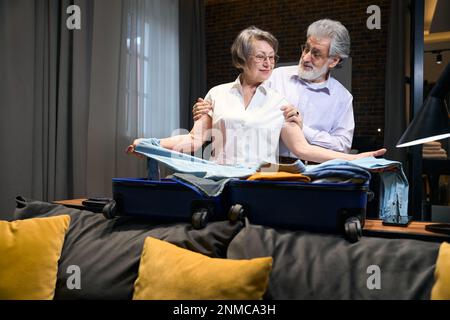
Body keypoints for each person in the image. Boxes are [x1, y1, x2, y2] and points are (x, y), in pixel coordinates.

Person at [127, 26, 385, 166]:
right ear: (242, 58)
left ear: (334, 60)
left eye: (272, 57)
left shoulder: (281, 102)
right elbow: (195, 140)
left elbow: (302, 148)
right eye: (261, 57)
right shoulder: (216, 94)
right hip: (219, 179)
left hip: (263, 179)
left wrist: (354, 158)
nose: (268, 63)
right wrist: (150, 144)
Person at [193, 19, 355, 162]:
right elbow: (238, 108)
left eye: (316, 54)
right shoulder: (273, 77)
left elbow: (342, 146)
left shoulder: (342, 98)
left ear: (334, 60)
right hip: (272, 166)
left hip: (320, 169)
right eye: (306, 49)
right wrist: (209, 110)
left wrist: (303, 128)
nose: (305, 57)